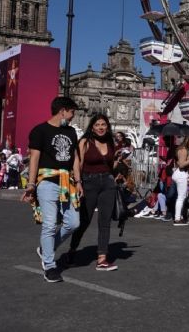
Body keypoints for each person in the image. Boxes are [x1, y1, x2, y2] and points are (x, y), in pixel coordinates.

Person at [21, 96, 81, 283]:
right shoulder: (40, 131)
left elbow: (75, 159)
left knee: (73, 223)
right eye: (71, 113)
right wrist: (31, 184)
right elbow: (34, 159)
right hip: (47, 181)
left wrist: (78, 181)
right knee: (49, 224)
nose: (72, 118)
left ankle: (45, 248)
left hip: (67, 181)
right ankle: (49, 265)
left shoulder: (71, 132)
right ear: (63, 110)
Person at [67, 113, 121, 271]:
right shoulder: (85, 141)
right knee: (84, 220)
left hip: (108, 183)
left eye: (103, 125)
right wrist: (78, 183)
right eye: (97, 125)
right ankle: (72, 249)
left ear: (107, 126)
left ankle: (102, 258)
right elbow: (77, 163)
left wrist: (118, 163)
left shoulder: (110, 142)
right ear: (92, 127)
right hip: (89, 182)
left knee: (105, 222)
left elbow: (110, 165)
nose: (101, 128)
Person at [172, 135, 189, 226]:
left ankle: (180, 217)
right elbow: (182, 165)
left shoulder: (182, 149)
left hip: (180, 174)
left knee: (182, 196)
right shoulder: (183, 150)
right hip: (181, 174)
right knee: (181, 197)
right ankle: (177, 219)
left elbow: (180, 162)